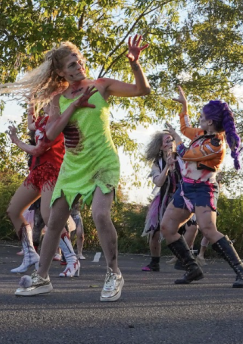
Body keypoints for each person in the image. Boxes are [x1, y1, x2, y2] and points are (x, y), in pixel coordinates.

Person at [10, 37, 150, 302]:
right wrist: (73, 106)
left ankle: (113, 273)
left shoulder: (101, 86)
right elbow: (49, 134)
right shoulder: (58, 100)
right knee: (54, 222)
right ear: (61, 71)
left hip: (102, 162)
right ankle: (42, 278)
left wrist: (135, 64)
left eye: (80, 61)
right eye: (72, 64)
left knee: (100, 214)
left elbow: (142, 90)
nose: (79, 66)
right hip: (73, 165)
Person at [157, 98, 243, 288]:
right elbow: (186, 129)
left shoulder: (216, 144)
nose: (199, 119)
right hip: (185, 188)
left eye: (201, 116)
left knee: (208, 230)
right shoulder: (202, 133)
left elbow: (186, 153)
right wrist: (184, 106)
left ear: (210, 121)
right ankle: (192, 268)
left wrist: (176, 138)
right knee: (167, 227)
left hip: (203, 189)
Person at [2, 100, 65, 275]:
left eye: (51, 102)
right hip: (36, 172)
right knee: (13, 210)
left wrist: (16, 141)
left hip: (52, 171)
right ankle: (30, 254)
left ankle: (71, 258)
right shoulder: (43, 122)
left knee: (48, 216)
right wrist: (31, 100)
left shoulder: (59, 124)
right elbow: (31, 123)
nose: (47, 104)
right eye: (44, 101)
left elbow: (38, 149)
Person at [140, 128, 180, 272]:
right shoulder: (157, 163)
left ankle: (186, 261)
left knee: (188, 229)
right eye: (166, 140)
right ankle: (154, 262)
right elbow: (158, 182)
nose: (170, 143)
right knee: (154, 231)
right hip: (163, 199)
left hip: (182, 198)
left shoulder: (181, 156)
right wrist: (167, 167)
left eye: (171, 139)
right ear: (160, 146)